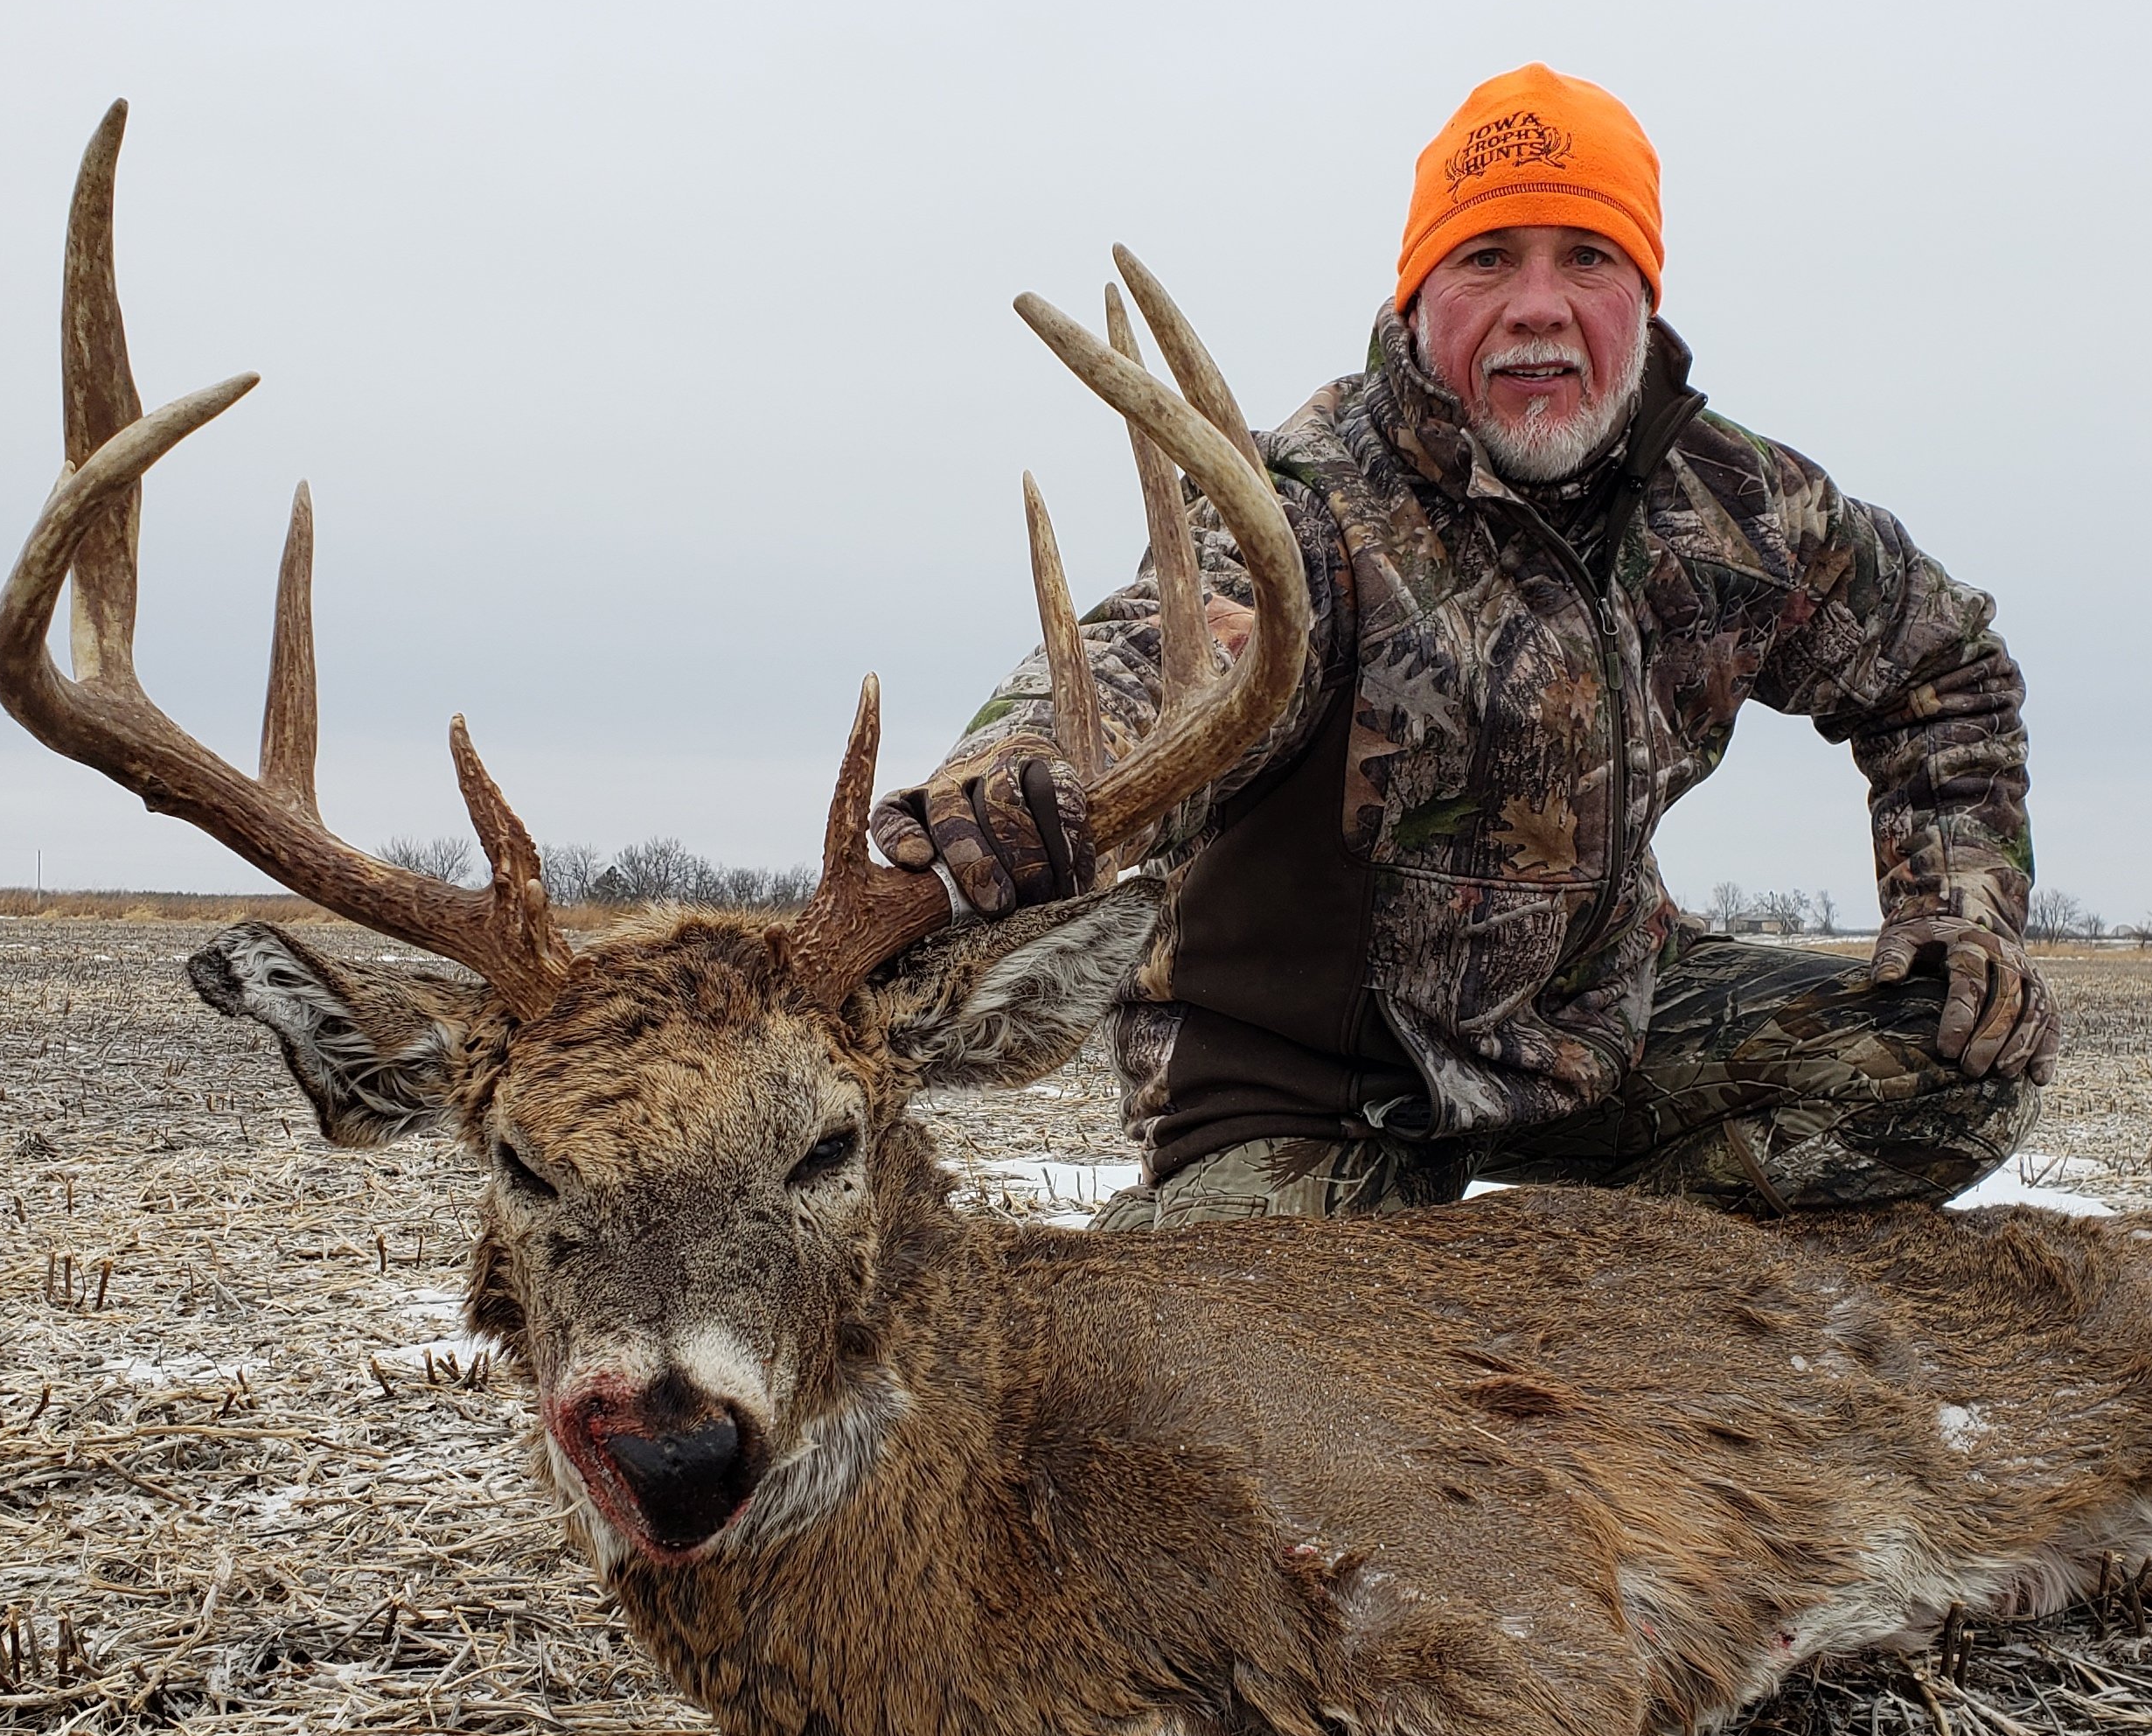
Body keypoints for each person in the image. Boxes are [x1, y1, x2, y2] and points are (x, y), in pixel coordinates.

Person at [876, 64, 2055, 1230]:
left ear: (1639, 300)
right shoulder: (1311, 505)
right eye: (1488, 258)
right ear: (1419, 298)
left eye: (1586, 257)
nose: (1537, 303)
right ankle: (1258, 1265)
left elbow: (1940, 670)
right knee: (1263, 1399)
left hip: (1596, 1032)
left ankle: (1586, 1279)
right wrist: (1025, 765)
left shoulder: (1734, 509)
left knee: (1959, 1063)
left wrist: (1959, 908)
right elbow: (1163, 650)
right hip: (1312, 1089)